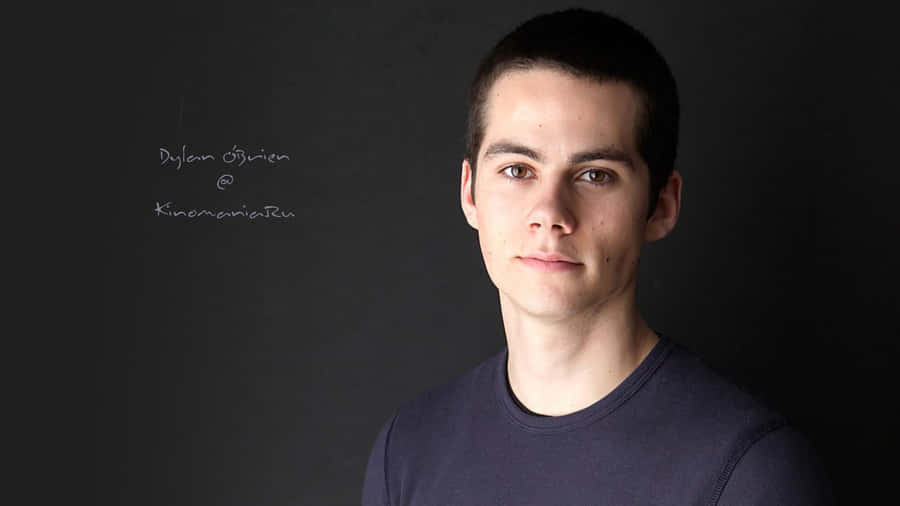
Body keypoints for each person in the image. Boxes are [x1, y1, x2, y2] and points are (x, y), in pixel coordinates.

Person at [362, 8, 832, 505]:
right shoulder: (409, 450)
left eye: (595, 175)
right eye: (518, 170)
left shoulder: (750, 472)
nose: (550, 213)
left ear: (661, 206)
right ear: (470, 193)